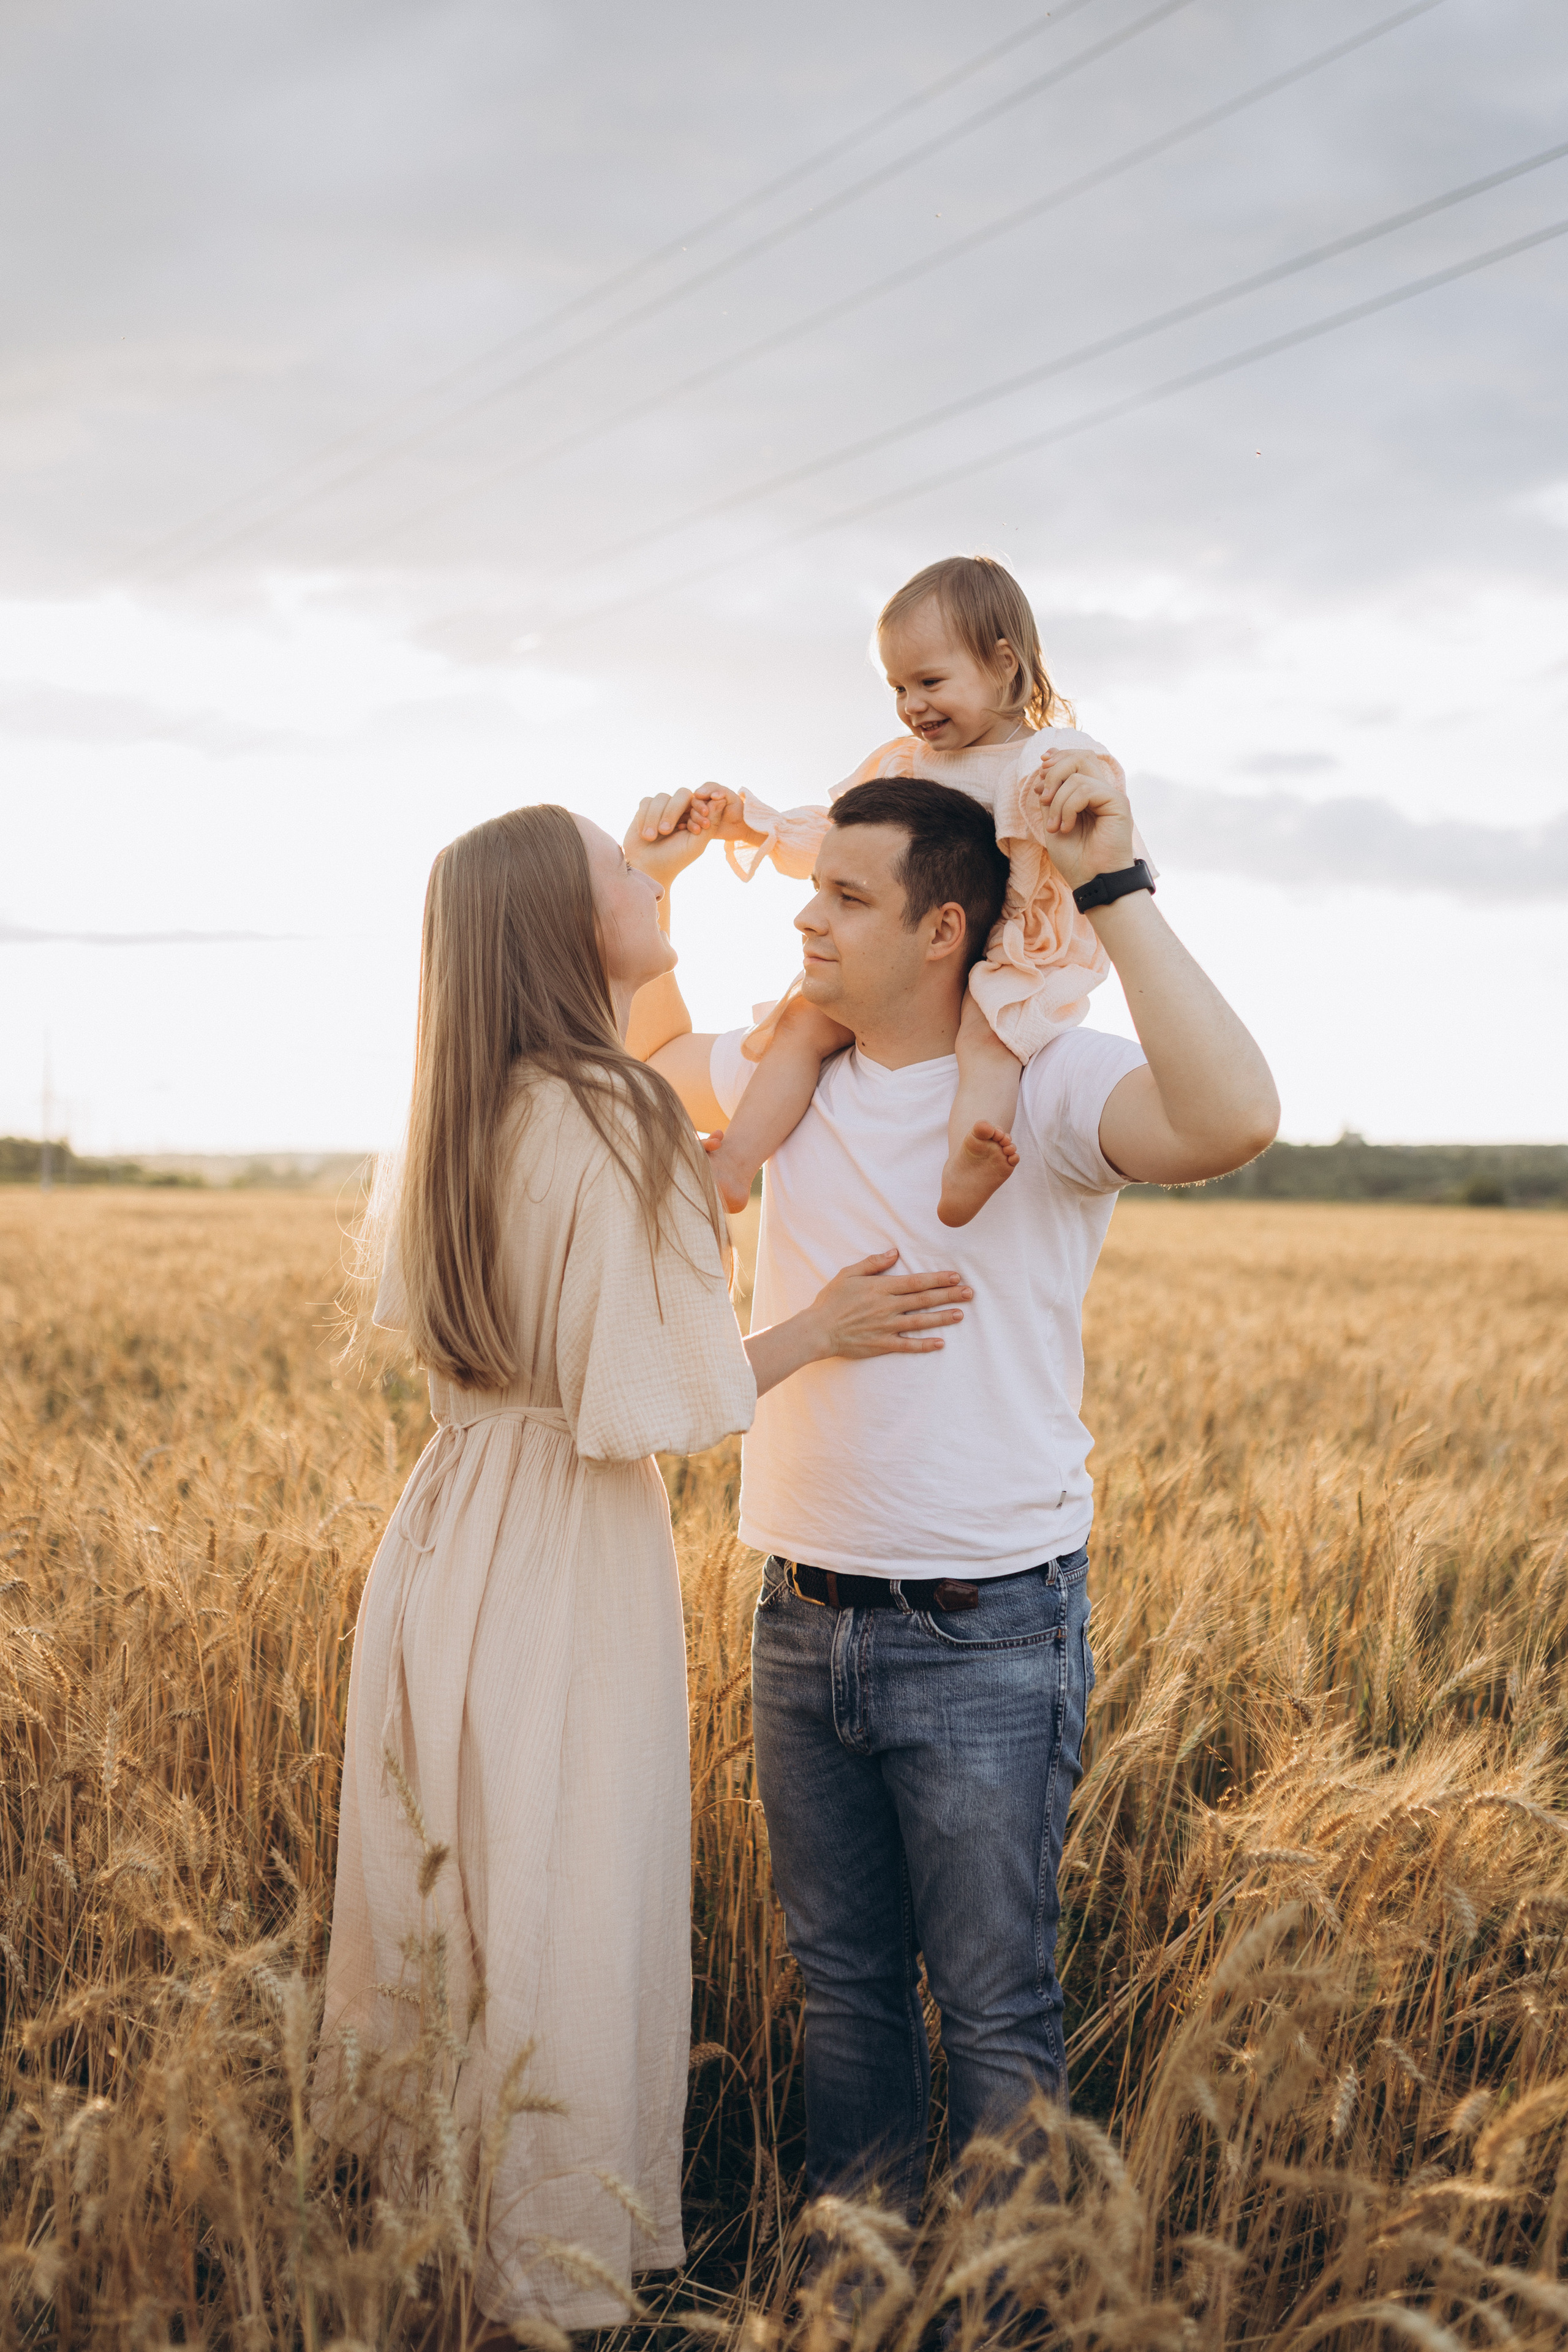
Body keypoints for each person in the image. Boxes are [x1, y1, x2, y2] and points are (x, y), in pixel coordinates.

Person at [319, 802, 975, 2332]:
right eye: (620, 868)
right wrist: (817, 1329)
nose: (645, 865)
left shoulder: (451, 1103)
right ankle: (549, 2278)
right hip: (562, 1547)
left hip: (440, 1536)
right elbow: (648, 1404)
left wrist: (641, 892)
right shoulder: (610, 1111)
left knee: (447, 1901)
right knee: (560, 1889)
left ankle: (420, 2247)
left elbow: (549, 1360)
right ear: (566, 925)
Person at [625, 760, 1278, 2220]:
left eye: (844, 896)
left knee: (991, 2010)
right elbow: (653, 1064)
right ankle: (859, 2282)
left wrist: (1110, 884)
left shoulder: (1041, 1084)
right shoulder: (794, 1074)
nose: (806, 918)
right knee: (843, 1995)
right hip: (798, 1610)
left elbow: (1233, 1114)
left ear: (939, 930)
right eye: (809, 887)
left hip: (985, 1631)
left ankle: (1009, 2311)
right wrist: (654, 884)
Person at [688, 554, 1152, 1227]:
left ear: (1002, 663)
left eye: (930, 681)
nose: (912, 706)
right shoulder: (907, 763)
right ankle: (733, 1166)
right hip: (908, 954)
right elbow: (841, 841)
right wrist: (747, 821)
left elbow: (1102, 846)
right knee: (800, 1025)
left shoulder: (1047, 760)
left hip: (1011, 949)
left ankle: (964, 1169)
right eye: (898, 688)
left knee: (987, 1044)